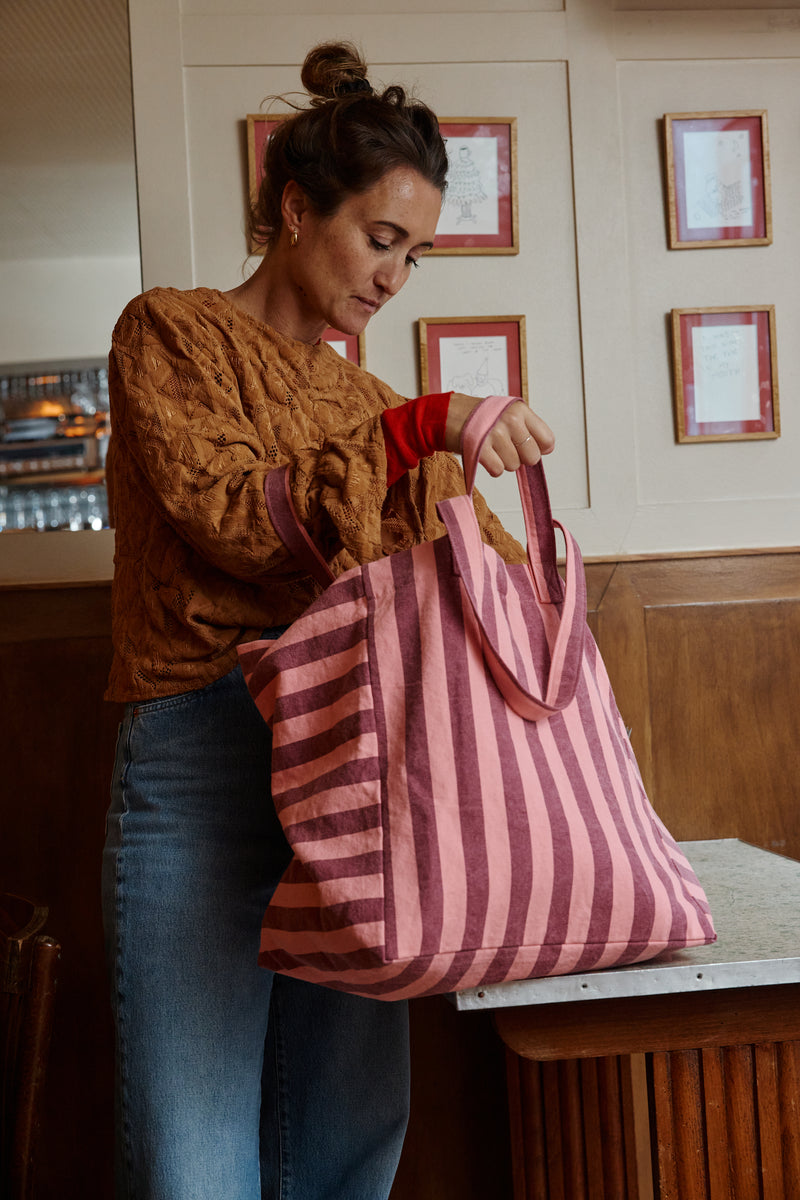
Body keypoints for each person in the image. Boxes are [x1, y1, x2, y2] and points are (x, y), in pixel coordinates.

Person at [101, 40, 554, 1200]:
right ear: (296, 208)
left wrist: (544, 602)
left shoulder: (365, 397)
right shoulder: (170, 332)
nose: (395, 277)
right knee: (194, 1167)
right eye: (380, 237)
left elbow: (471, 561)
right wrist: (420, 433)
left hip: (360, 760)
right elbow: (238, 521)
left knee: (351, 1148)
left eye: (416, 252)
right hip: (201, 758)